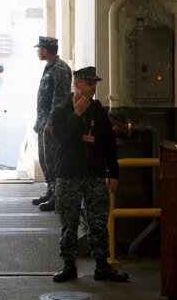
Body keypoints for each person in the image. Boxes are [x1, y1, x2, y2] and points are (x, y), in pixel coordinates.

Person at [48, 66, 129, 283]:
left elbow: (108, 144)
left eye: (95, 84)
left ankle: (102, 265)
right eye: (89, 84)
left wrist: (113, 173)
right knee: (69, 222)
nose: (93, 88)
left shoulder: (98, 110)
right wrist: (76, 115)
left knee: (99, 221)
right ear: (77, 84)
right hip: (69, 175)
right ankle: (68, 265)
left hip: (94, 174)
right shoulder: (61, 110)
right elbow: (62, 137)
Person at [32, 36, 73, 212]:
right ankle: (51, 189)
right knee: (45, 159)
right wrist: (39, 121)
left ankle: (58, 196)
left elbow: (60, 97)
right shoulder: (49, 67)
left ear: (45, 50)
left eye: (39, 48)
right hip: (44, 121)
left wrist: (52, 121)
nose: (37, 51)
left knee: (54, 159)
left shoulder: (60, 69)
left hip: (53, 123)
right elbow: (43, 98)